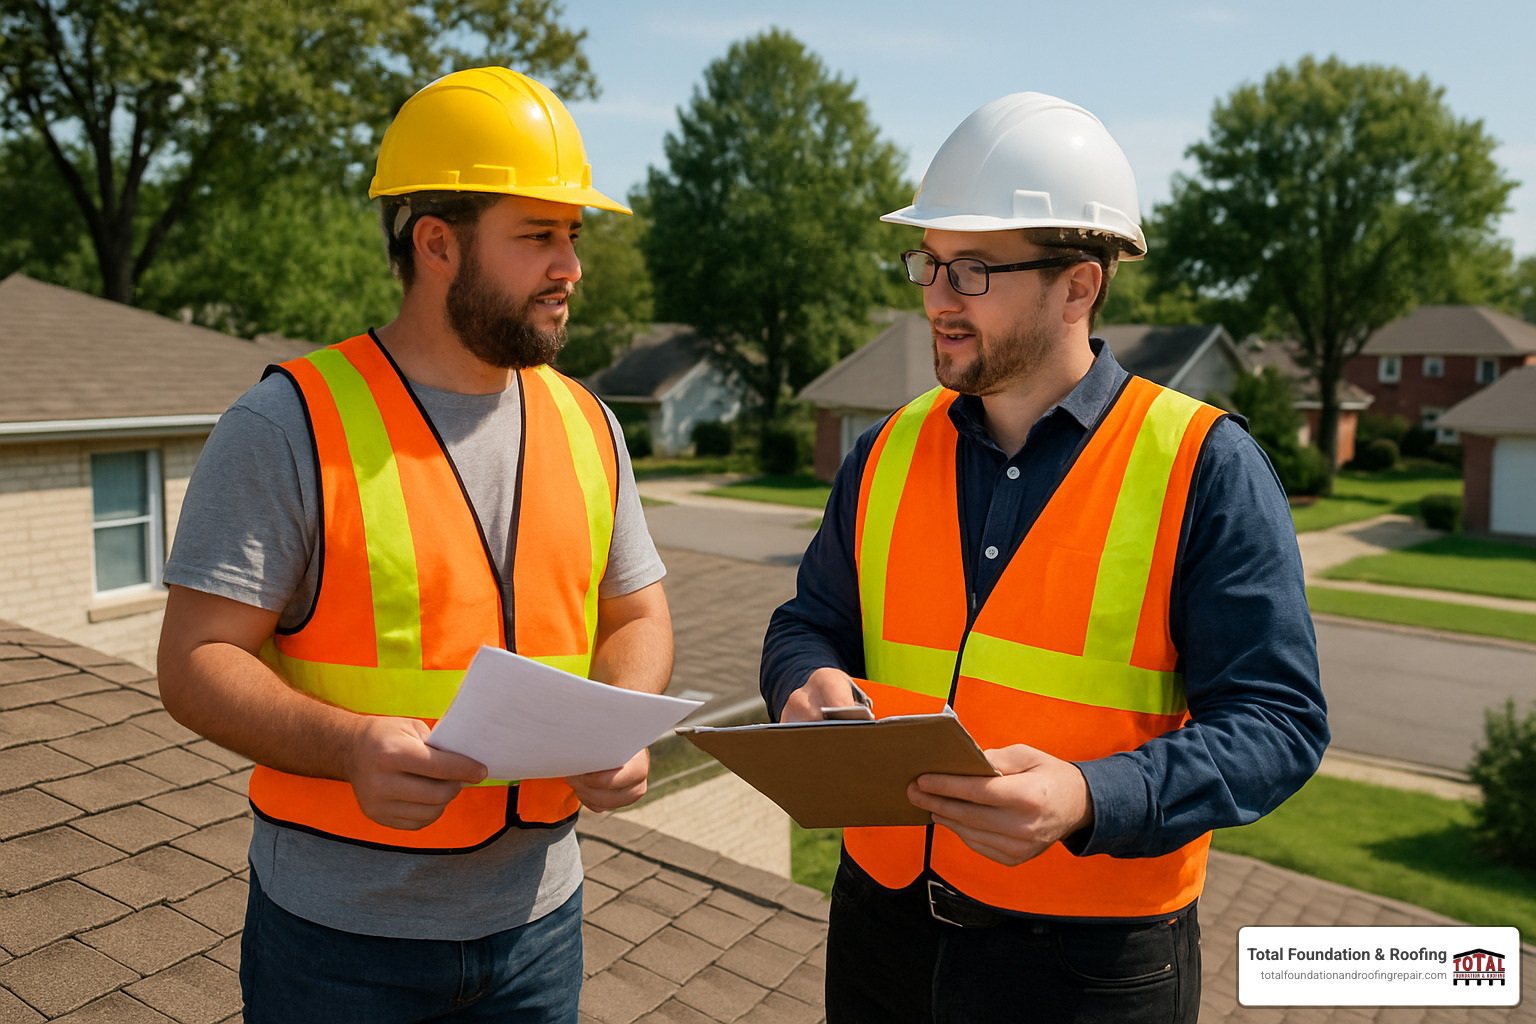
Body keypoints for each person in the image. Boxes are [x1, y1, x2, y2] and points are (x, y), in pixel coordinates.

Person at [760, 92, 1328, 1023]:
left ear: (1079, 286)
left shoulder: (1204, 466)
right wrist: (803, 678)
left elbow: (1278, 724)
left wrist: (1090, 796)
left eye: (974, 270)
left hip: (1087, 969)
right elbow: (808, 623)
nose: (937, 298)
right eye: (930, 263)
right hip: (881, 929)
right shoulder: (886, 450)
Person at [157, 67, 672, 1023]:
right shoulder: (285, 425)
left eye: (574, 235)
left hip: (541, 928)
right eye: (538, 236)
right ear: (436, 243)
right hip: (337, 946)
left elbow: (636, 615)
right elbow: (194, 660)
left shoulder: (590, 424)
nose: (571, 266)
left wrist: (619, 725)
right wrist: (349, 745)